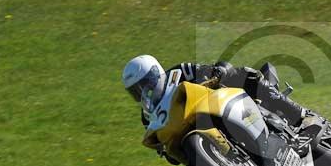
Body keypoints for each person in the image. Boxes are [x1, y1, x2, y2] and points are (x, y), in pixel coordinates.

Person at [122, 54, 313, 131]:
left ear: (155, 73)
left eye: (145, 83)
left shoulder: (179, 71)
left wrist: (218, 72)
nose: (144, 91)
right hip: (201, 126)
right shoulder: (149, 117)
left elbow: (206, 69)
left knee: (246, 75)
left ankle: (301, 115)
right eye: (137, 90)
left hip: (220, 98)